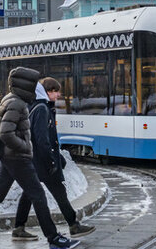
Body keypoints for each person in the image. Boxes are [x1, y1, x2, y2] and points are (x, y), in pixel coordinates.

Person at [0, 67, 79, 249]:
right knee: (38, 196)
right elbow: (6, 133)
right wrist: (25, 147)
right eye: (33, 84)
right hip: (17, 158)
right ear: (25, 84)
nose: (35, 87)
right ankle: (54, 239)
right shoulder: (16, 103)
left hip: (9, 158)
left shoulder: (12, 99)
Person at [12, 77, 96, 241]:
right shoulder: (42, 109)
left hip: (35, 160)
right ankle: (73, 226)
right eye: (56, 91)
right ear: (48, 91)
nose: (58, 95)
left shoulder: (36, 106)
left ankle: (19, 228)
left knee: (30, 194)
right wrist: (52, 161)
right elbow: (43, 139)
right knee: (58, 193)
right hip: (43, 161)